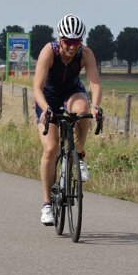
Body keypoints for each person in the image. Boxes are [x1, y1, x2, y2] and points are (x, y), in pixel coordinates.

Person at [32, 13, 102, 226]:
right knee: (51, 148)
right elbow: (37, 88)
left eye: (76, 42)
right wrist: (45, 109)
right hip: (48, 98)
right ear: (60, 39)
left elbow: (95, 84)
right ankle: (47, 204)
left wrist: (96, 106)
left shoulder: (85, 53)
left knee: (83, 110)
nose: (72, 47)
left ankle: (78, 156)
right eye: (68, 42)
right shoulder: (49, 51)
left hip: (72, 92)